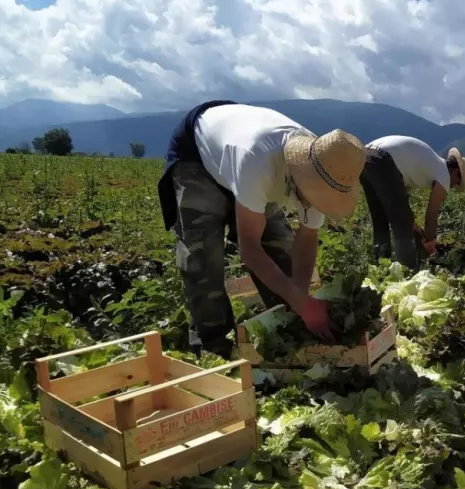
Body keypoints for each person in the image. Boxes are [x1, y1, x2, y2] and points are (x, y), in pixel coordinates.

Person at [157, 100, 367, 358]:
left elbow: (307, 237)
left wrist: (299, 300)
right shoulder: (259, 161)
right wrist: (302, 305)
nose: (317, 201)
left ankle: (286, 329)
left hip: (247, 160)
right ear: (301, 177)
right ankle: (214, 348)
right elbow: (250, 250)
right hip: (199, 157)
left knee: (279, 245)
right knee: (203, 258)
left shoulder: (329, 167)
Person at [359, 135, 465, 269]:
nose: (454, 185)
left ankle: (380, 265)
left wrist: (413, 224)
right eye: (458, 182)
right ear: (455, 171)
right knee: (402, 224)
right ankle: (407, 269)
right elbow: (431, 215)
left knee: (380, 218)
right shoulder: (444, 174)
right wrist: (430, 245)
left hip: (365, 156)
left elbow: (398, 198)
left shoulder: (429, 163)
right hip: (384, 160)